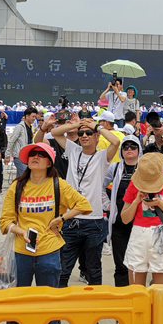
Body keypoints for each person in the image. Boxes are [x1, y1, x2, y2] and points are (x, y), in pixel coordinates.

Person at [0, 143, 91, 324]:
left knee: (49, 300)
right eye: (32, 154)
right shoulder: (17, 186)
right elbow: (5, 221)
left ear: (49, 162)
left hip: (50, 250)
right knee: (16, 300)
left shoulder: (59, 185)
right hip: (21, 251)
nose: (36, 157)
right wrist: (21, 231)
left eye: (41, 155)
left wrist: (62, 218)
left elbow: (83, 204)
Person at [50, 117, 119, 286]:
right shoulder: (73, 150)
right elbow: (54, 132)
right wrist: (77, 125)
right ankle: (59, 306)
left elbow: (116, 141)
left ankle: (95, 308)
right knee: (63, 269)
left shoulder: (103, 156)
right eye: (81, 133)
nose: (84, 135)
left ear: (97, 137)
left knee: (93, 269)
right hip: (70, 219)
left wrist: (95, 125)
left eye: (89, 133)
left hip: (93, 220)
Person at [120, 152, 163, 285]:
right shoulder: (135, 184)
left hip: (162, 235)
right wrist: (136, 201)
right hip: (139, 235)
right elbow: (125, 219)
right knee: (136, 293)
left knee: (160, 292)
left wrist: (160, 204)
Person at [102, 135, 141, 287]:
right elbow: (101, 186)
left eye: (133, 146)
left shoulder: (144, 167)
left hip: (140, 223)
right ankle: (122, 296)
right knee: (121, 263)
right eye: (125, 147)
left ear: (139, 149)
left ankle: (137, 294)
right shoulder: (115, 167)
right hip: (118, 222)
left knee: (139, 263)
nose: (129, 150)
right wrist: (107, 204)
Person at [7, 107, 38, 175]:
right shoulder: (20, 127)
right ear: (27, 116)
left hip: (27, 156)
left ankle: (17, 185)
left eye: (35, 117)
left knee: (20, 179)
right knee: (27, 175)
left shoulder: (30, 127)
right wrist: (7, 155)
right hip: (19, 156)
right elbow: (11, 141)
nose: (34, 118)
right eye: (32, 116)